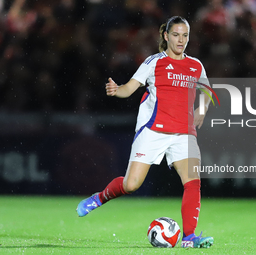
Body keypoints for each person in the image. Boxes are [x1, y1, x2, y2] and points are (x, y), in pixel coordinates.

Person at [76, 16, 214, 248]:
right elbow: (130, 88)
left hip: (184, 134)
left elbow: (208, 90)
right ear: (166, 36)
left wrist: (201, 109)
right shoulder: (154, 62)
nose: (181, 40)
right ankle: (99, 198)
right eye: (176, 35)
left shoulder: (195, 65)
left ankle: (189, 238)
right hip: (154, 131)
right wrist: (116, 90)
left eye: (185, 35)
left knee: (192, 182)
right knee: (131, 185)